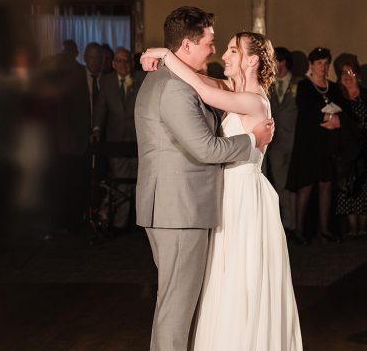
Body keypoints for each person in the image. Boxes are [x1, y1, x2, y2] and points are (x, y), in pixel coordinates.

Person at [140, 30, 302, 351]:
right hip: (227, 196)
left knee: (239, 278)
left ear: (252, 60)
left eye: (232, 51)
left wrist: (164, 52)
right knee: (222, 278)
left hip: (243, 198)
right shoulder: (233, 89)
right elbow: (204, 81)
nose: (223, 56)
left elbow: (201, 87)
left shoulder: (253, 101)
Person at [286, 47, 344, 244]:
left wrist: (336, 119)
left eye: (326, 63)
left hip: (328, 142)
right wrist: (328, 116)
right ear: (312, 65)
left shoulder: (334, 87)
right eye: (319, 63)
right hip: (309, 142)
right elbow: (307, 111)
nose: (323, 67)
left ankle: (324, 229)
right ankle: (300, 231)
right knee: (306, 185)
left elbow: (341, 111)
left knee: (326, 184)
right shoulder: (304, 86)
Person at [91, 47, 142, 229]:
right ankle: (121, 224)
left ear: (132, 62)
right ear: (113, 64)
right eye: (119, 61)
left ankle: (139, 224)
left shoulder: (141, 79)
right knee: (120, 182)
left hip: (139, 140)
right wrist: (96, 129)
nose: (123, 64)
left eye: (126, 60)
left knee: (138, 181)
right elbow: (100, 109)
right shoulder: (107, 82)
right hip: (116, 140)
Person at [335, 59, 367, 239]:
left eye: (352, 73)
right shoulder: (337, 98)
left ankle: (363, 229)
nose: (348, 77)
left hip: (366, 148)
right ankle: (351, 229)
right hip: (346, 152)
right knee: (348, 188)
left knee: (366, 188)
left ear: (359, 77)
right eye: (344, 73)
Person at [264, 47, 300, 231]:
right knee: (278, 184)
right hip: (274, 142)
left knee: (294, 184)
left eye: (276, 61)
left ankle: (296, 222)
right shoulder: (267, 84)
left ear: (284, 62)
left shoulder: (299, 84)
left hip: (294, 138)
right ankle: (284, 222)